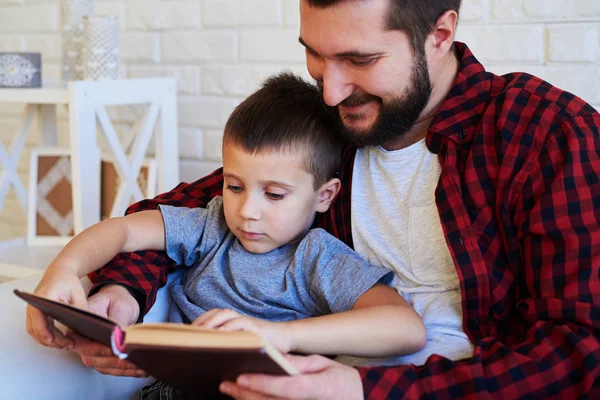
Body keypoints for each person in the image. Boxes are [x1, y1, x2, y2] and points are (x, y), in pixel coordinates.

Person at [28, 0, 600, 398]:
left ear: (441, 34)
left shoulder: (545, 132)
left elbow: (580, 353)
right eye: (315, 55)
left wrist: (361, 391)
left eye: (359, 60)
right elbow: (193, 215)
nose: (330, 89)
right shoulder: (327, 128)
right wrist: (121, 295)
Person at [27, 72, 426, 398]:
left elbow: (405, 327)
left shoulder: (319, 257)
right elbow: (123, 230)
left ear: (324, 196)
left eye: (273, 194)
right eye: (234, 186)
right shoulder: (211, 226)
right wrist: (64, 269)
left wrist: (279, 335)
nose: (247, 211)